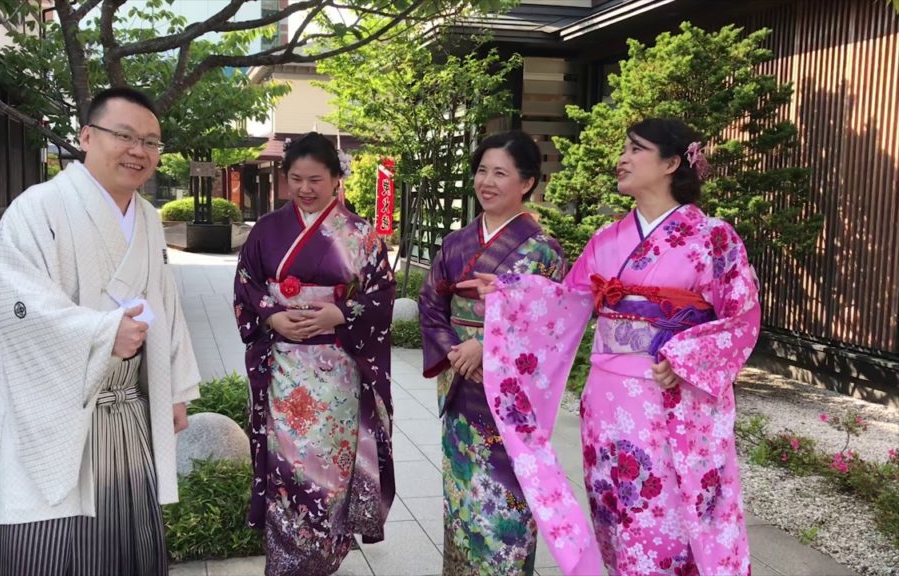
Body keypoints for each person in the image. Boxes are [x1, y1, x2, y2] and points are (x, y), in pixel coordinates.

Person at [465, 118, 760, 575]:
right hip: (607, 403)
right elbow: (569, 301)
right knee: (615, 512)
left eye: (635, 149)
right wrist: (512, 292)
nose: (622, 158)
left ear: (671, 163)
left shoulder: (714, 238)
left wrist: (685, 356)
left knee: (669, 522)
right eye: (624, 148)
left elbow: (742, 318)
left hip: (673, 402)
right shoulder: (607, 240)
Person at [0, 87, 201, 575]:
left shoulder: (146, 218)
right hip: (57, 408)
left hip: (128, 410)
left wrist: (174, 389)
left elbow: (165, 305)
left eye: (151, 141)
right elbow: (18, 304)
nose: (138, 150)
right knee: (51, 543)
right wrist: (103, 333)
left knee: (129, 542)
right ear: (86, 136)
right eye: (123, 135)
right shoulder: (37, 208)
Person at [233, 132, 396, 576]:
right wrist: (270, 316)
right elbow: (246, 281)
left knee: (328, 470)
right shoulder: (267, 230)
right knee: (286, 467)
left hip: (337, 373)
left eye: (316, 180)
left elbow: (382, 294)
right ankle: (285, 560)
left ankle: (323, 556)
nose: (305, 189)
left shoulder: (360, 234)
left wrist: (339, 314)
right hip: (283, 367)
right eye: (296, 179)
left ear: (336, 179)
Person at [417, 130, 567, 575]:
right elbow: (431, 304)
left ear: (527, 183)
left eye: (500, 173)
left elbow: (552, 326)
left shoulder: (544, 251)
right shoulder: (456, 243)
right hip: (463, 381)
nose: (487, 181)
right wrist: (455, 351)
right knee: (462, 493)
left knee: (508, 498)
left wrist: (490, 345)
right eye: (482, 170)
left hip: (511, 395)